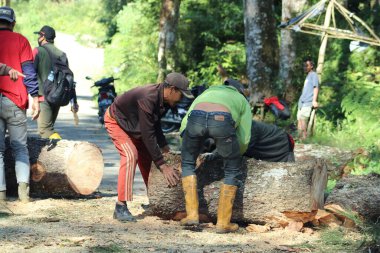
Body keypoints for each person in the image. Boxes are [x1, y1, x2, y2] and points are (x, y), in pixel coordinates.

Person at [105, 72, 193, 222]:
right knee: (130, 154)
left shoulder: (163, 100)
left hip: (135, 126)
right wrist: (163, 165)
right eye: (181, 94)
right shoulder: (148, 97)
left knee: (149, 159)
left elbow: (155, 125)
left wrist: (164, 148)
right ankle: (120, 206)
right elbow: (148, 133)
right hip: (117, 121)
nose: (182, 99)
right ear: (172, 89)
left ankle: (155, 201)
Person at [179, 78, 252, 233]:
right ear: (239, 90)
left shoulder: (207, 92)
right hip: (222, 120)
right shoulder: (241, 99)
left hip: (196, 118)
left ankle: (192, 216)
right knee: (232, 170)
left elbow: (186, 121)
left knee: (187, 164)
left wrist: (187, 139)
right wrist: (234, 154)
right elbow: (244, 138)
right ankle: (223, 223)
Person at [0, 6, 40, 203]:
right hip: (15, 100)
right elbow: (29, 73)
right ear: (13, 23)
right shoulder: (21, 40)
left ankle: (1, 196)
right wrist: (35, 98)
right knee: (19, 148)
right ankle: (23, 194)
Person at [33, 25, 78, 139]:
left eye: (39, 35)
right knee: (49, 128)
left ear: (43, 37)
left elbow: (30, 72)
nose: (38, 37)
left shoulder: (38, 51)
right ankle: (50, 155)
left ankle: (62, 147)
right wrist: (74, 101)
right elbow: (68, 78)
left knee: (44, 131)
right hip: (58, 95)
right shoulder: (62, 54)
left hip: (43, 96)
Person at [297, 59, 319, 140]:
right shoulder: (308, 76)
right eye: (304, 66)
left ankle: (304, 138)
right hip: (302, 102)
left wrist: (314, 100)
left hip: (308, 101)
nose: (305, 67)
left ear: (311, 66)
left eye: (307, 66)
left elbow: (316, 87)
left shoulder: (314, 75)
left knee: (303, 120)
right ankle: (299, 139)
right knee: (299, 120)